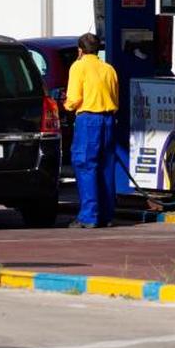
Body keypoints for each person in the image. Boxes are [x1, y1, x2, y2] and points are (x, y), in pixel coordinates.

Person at [64, 32, 119, 229]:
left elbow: (74, 100)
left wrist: (66, 105)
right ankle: (106, 214)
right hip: (109, 120)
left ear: (80, 50)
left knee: (86, 165)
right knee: (106, 166)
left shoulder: (78, 67)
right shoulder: (109, 69)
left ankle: (89, 216)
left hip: (88, 120)